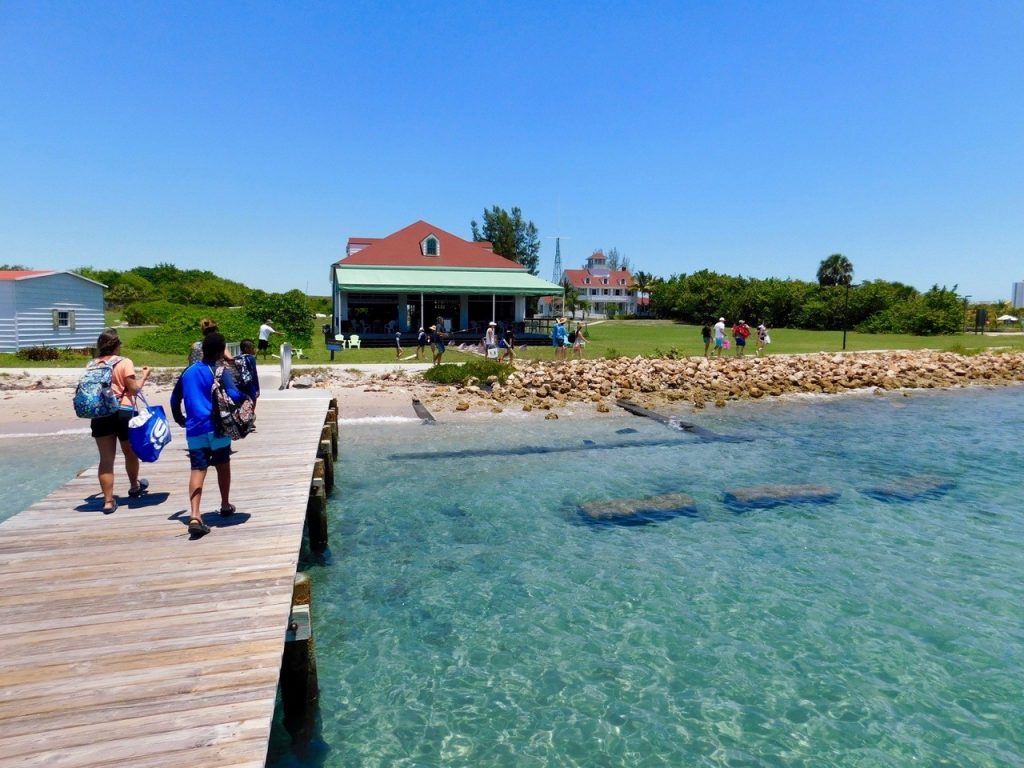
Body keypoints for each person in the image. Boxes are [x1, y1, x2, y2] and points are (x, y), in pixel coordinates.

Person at [171, 332, 245, 537]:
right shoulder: (220, 371)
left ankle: (195, 516)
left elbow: (174, 399)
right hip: (218, 428)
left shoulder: (188, 372)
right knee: (223, 466)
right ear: (221, 352)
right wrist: (244, 396)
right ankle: (225, 504)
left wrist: (179, 418)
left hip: (195, 429)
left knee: (197, 470)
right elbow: (234, 395)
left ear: (203, 350)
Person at [88, 329, 151, 514]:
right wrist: (144, 376)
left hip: (100, 414)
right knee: (129, 453)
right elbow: (134, 389)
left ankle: (108, 502)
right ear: (116, 345)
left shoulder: (91, 364)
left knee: (106, 459)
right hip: (124, 411)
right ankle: (134, 486)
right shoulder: (125, 362)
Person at [236, 339, 261, 406]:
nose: (254, 350)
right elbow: (254, 374)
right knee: (252, 404)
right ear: (246, 349)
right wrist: (257, 389)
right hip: (249, 385)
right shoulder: (251, 358)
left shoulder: (237, 358)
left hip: (240, 385)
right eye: (252, 348)